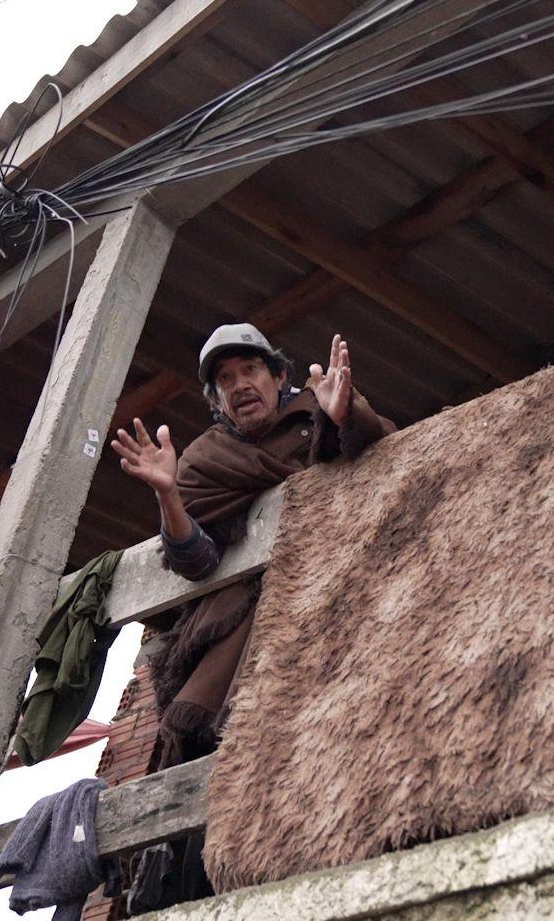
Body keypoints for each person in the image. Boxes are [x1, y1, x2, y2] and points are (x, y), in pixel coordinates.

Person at [110, 323, 395, 770]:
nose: (240, 385)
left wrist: (343, 419)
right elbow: (198, 561)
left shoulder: (320, 408)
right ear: (215, 400)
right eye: (225, 379)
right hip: (238, 627)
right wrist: (168, 494)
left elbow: (385, 466)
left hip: (336, 603)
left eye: (250, 370)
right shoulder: (204, 461)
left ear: (279, 377)